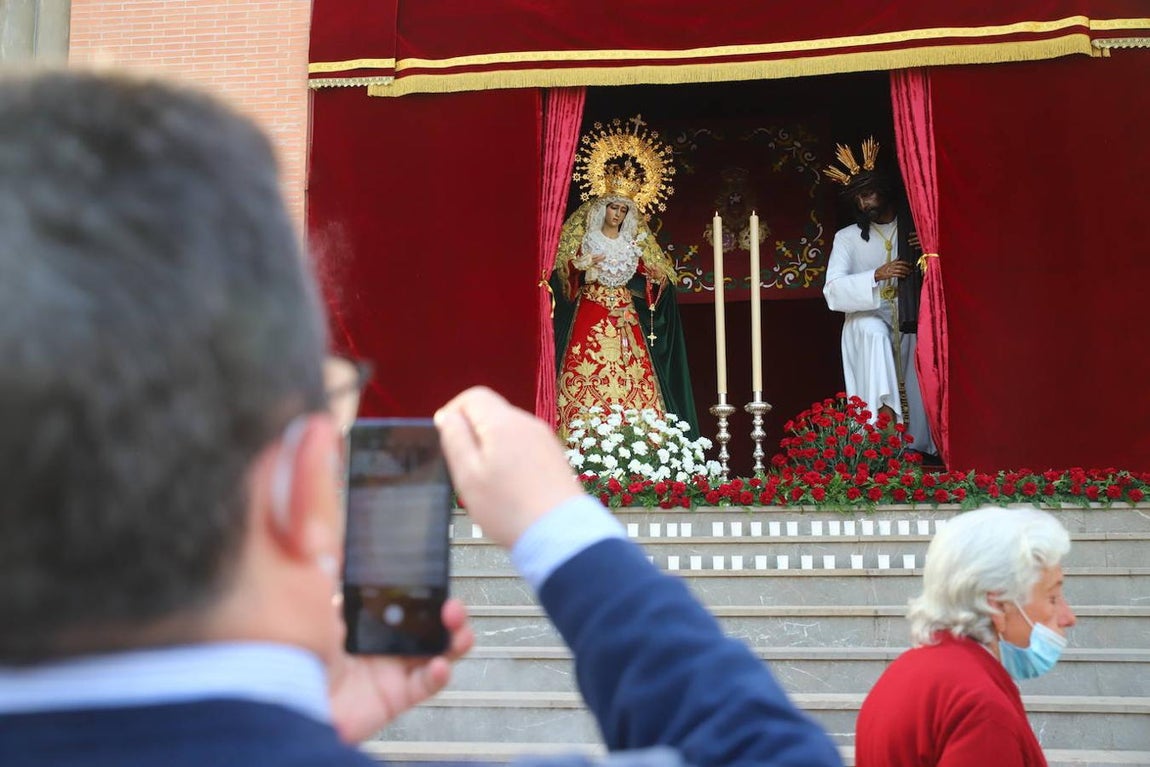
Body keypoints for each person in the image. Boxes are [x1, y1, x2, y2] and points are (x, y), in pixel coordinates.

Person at [0, 69, 840, 767]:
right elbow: (765, 749)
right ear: (300, 484)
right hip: (593, 325)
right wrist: (562, 525)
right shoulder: (584, 225)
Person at [855, 506, 1077, 766]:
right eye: (1052, 597)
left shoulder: (907, 669)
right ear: (998, 605)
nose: (1068, 617)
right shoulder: (980, 707)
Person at [553, 117, 698, 438]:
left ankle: (636, 440)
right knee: (588, 372)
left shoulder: (635, 244)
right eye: (613, 207)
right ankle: (580, 439)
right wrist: (580, 265)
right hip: (590, 314)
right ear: (603, 207)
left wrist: (657, 280)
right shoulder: (585, 239)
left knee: (632, 377)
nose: (617, 214)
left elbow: (654, 283)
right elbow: (562, 281)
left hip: (625, 319)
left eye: (623, 210)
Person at [822, 137, 937, 459]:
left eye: (869, 193)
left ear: (885, 190)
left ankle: (920, 446)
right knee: (875, 335)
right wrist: (876, 275)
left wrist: (929, 250)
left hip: (910, 318)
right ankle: (880, 436)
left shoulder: (916, 228)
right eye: (858, 197)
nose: (864, 203)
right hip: (866, 322)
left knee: (922, 349)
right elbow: (832, 291)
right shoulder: (846, 238)